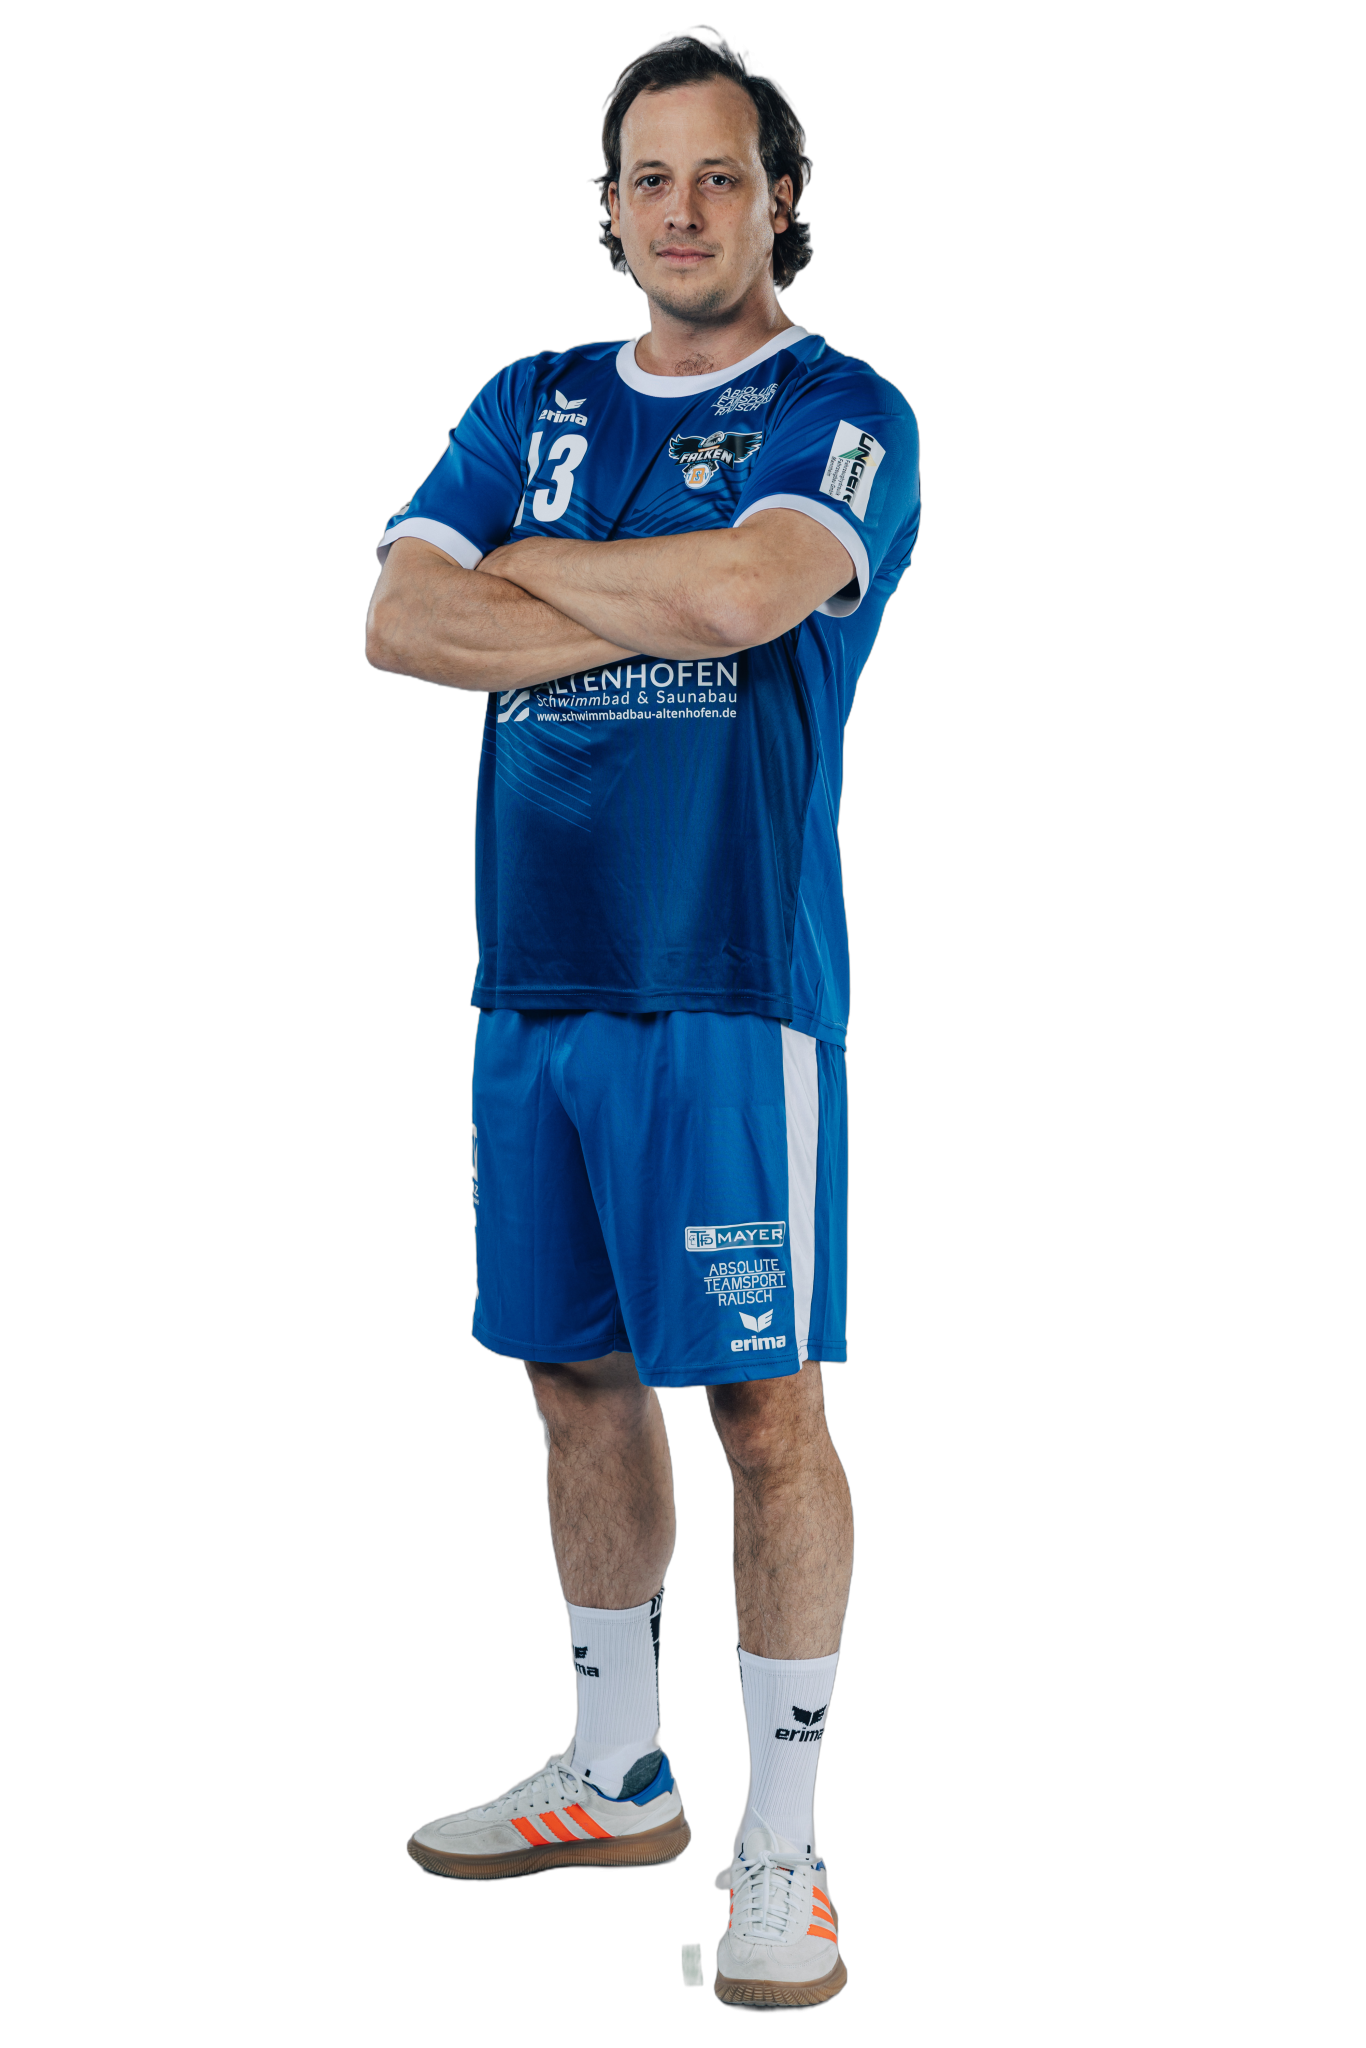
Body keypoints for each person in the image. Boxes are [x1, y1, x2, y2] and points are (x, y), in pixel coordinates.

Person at [367, 32, 920, 2010]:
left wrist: (536, 578)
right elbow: (399, 621)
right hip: (533, 982)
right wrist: (630, 586)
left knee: (765, 1409)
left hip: (725, 989)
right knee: (567, 1375)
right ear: (606, 210)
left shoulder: (842, 410)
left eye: (717, 177)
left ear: (780, 200)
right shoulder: (525, 397)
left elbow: (754, 595)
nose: (681, 211)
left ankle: (784, 1847)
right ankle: (617, 1769)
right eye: (646, 178)